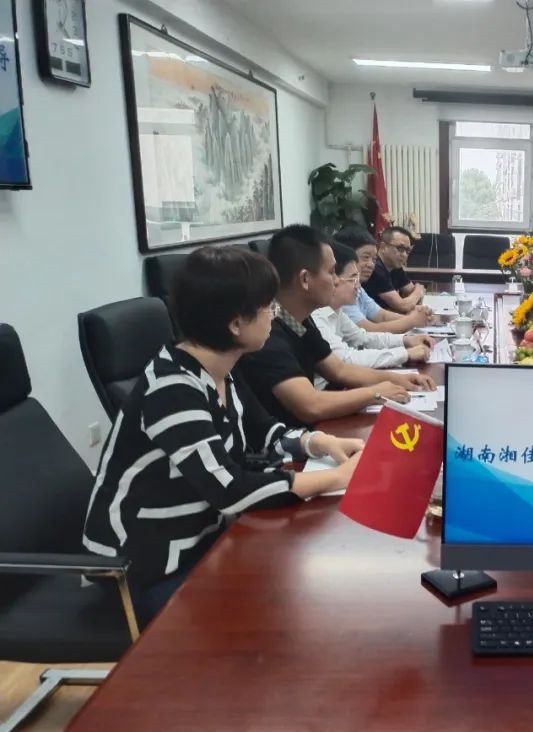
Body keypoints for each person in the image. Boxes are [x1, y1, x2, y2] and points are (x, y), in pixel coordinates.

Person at [82, 245, 365, 625]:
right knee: (283, 608)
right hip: (142, 569)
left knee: (296, 585)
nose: (275, 314)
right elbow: (229, 489)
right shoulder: (172, 388)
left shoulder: (219, 368)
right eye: (267, 307)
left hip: (203, 540)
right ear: (235, 324)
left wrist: (316, 442)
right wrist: (336, 478)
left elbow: (262, 431)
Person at [238, 225, 434, 428]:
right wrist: (374, 393)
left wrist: (398, 380)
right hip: (290, 440)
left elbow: (340, 370)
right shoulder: (267, 331)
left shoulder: (298, 321)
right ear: (305, 279)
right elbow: (310, 406)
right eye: (332, 272)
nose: (337, 280)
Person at [311, 242, 435, 379]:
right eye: (352, 279)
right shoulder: (316, 316)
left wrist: (406, 341)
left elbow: (363, 337)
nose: (358, 286)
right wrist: (405, 353)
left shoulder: (336, 311)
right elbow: (346, 359)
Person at [336, 225, 434, 334]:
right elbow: (367, 331)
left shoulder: (359, 288)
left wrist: (416, 318)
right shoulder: (342, 292)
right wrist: (412, 320)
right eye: (365, 257)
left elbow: (382, 315)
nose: (371, 264)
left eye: (373, 259)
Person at [363, 226, 426, 314]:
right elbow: (404, 306)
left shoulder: (395, 266)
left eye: (407, 250)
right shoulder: (375, 269)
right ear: (383, 247)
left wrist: (414, 296)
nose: (404, 255)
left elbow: (411, 291)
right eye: (400, 249)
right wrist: (418, 290)